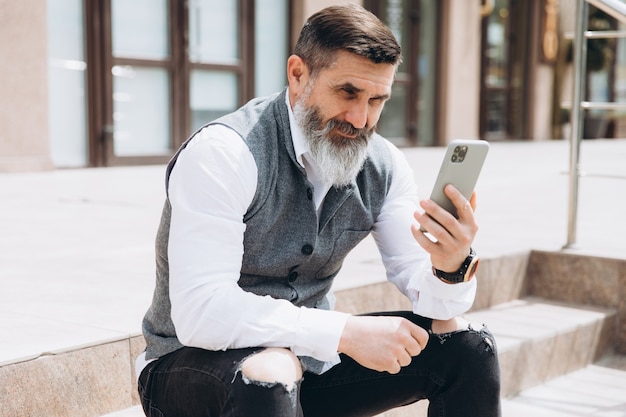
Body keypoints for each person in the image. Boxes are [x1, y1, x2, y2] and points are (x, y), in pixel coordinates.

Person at [137, 3, 501, 417]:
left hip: (308, 363)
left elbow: (436, 305)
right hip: (192, 368)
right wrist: (344, 332)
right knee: (270, 371)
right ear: (298, 75)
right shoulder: (224, 153)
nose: (360, 118)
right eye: (347, 93)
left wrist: (449, 266)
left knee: (468, 348)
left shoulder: (384, 165)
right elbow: (202, 312)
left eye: (377, 100)